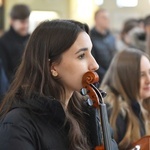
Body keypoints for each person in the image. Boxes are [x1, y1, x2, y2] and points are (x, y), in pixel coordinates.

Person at [0, 20, 118, 150]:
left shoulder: (88, 114)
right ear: (53, 66)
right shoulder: (18, 124)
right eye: (81, 56)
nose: (95, 65)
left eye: (91, 52)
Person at [100, 48, 150, 149]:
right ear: (125, 78)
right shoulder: (114, 113)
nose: (148, 80)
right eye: (141, 75)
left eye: (149, 72)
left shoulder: (144, 101)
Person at [0, 4, 30, 84]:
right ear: (12, 21)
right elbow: (5, 72)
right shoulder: (3, 42)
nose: (26, 26)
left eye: (27, 21)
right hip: (13, 87)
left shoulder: (31, 39)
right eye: (22, 22)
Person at [90, 8, 117, 82]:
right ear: (96, 20)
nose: (107, 20)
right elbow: (92, 60)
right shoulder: (90, 37)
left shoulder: (111, 36)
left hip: (112, 75)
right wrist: (106, 75)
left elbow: (114, 55)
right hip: (98, 77)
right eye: (104, 18)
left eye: (108, 18)